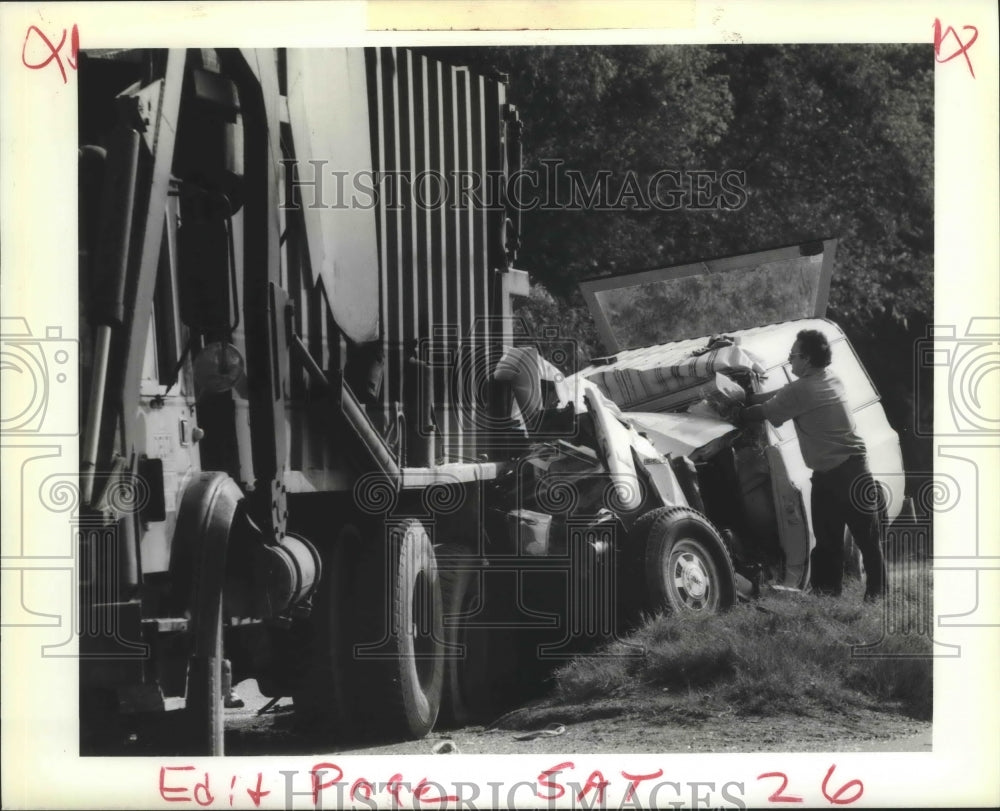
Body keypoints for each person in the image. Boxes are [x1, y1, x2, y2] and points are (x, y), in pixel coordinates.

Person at [737, 329, 887, 600]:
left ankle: (851, 598)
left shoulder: (802, 389)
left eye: (792, 355)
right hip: (846, 471)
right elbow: (782, 394)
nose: (789, 360)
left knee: (846, 541)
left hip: (845, 474)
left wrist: (734, 409)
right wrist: (747, 397)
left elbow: (765, 411)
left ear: (806, 359)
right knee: (858, 541)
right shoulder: (829, 378)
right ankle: (838, 599)